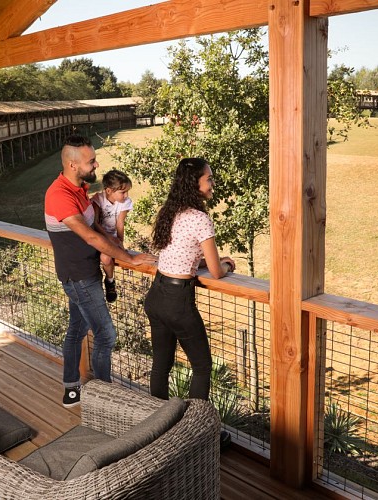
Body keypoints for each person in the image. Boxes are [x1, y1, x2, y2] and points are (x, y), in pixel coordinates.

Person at [44, 134, 156, 407]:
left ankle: (72, 388)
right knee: (106, 334)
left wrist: (117, 245)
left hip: (87, 271)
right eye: (91, 161)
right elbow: (91, 237)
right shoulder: (59, 195)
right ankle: (105, 398)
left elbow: (95, 228)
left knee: (76, 329)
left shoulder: (79, 189)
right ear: (73, 165)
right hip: (79, 277)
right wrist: (131, 259)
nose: (96, 165)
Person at [143, 157, 236, 402]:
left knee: (161, 366)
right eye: (209, 178)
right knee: (202, 367)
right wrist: (226, 263)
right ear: (194, 183)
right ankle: (195, 428)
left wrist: (207, 261)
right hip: (177, 302)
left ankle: (159, 423)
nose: (213, 183)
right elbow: (217, 272)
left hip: (157, 294)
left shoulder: (171, 211)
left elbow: (185, 253)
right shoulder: (200, 219)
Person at [90, 169, 133, 303]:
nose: (126, 195)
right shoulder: (98, 199)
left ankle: (110, 281)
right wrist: (109, 238)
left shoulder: (125, 202)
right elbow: (95, 222)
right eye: (122, 192)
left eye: (127, 191)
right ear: (109, 191)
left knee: (106, 257)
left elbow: (120, 224)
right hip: (99, 235)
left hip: (112, 237)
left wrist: (120, 243)